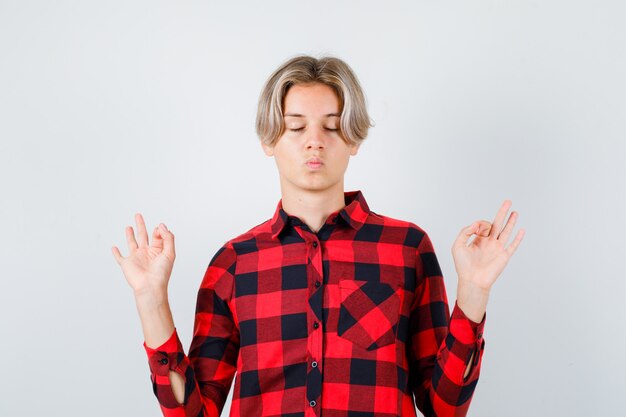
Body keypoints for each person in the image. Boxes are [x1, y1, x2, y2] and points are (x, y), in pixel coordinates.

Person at [112, 55, 525, 417]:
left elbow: (443, 407)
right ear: (269, 140)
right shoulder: (234, 263)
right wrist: (151, 301)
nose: (314, 141)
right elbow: (192, 413)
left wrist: (473, 291)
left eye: (332, 126)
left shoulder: (407, 250)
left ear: (354, 139)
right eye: (296, 128)